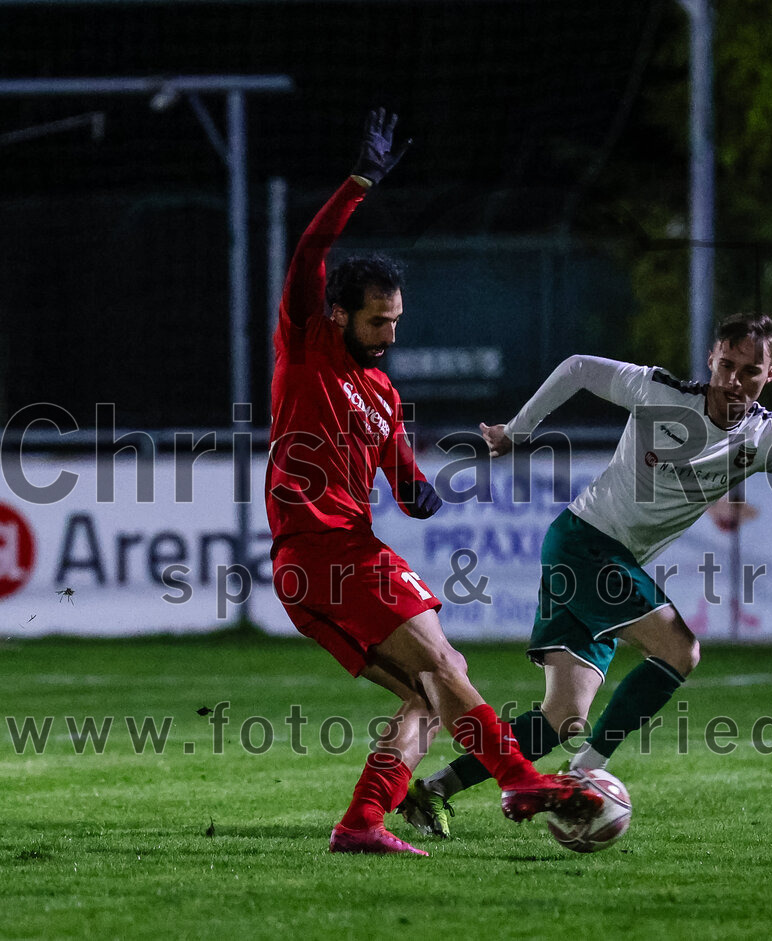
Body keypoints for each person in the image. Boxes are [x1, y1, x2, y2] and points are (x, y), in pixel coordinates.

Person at [399, 312, 772, 838]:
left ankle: (433, 790)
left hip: (600, 556)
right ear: (711, 359)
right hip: (584, 543)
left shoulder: (771, 438)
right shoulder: (660, 393)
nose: (734, 380)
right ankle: (585, 770)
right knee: (680, 650)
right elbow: (577, 368)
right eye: (726, 365)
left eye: (750, 371)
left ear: (769, 375)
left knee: (562, 718)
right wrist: (516, 431)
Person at [266, 108, 599, 856]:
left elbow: (403, 477)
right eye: (377, 322)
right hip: (324, 550)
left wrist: (428, 484)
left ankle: (362, 822)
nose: (391, 335)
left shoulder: (383, 393)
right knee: (445, 667)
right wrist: (358, 183)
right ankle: (521, 780)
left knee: (430, 690)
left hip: (333, 558)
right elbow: (310, 250)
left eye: (396, 321)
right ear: (338, 314)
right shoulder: (307, 345)